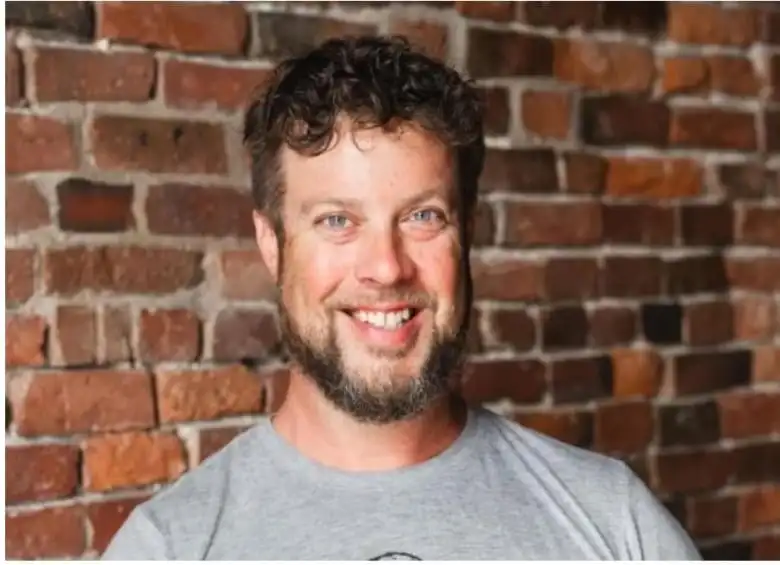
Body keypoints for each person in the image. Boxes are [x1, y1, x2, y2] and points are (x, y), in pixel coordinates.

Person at [103, 35, 700, 560]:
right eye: (337, 220)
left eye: (422, 216)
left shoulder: (617, 524)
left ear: (468, 230)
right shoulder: (169, 547)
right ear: (272, 243)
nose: (386, 268)